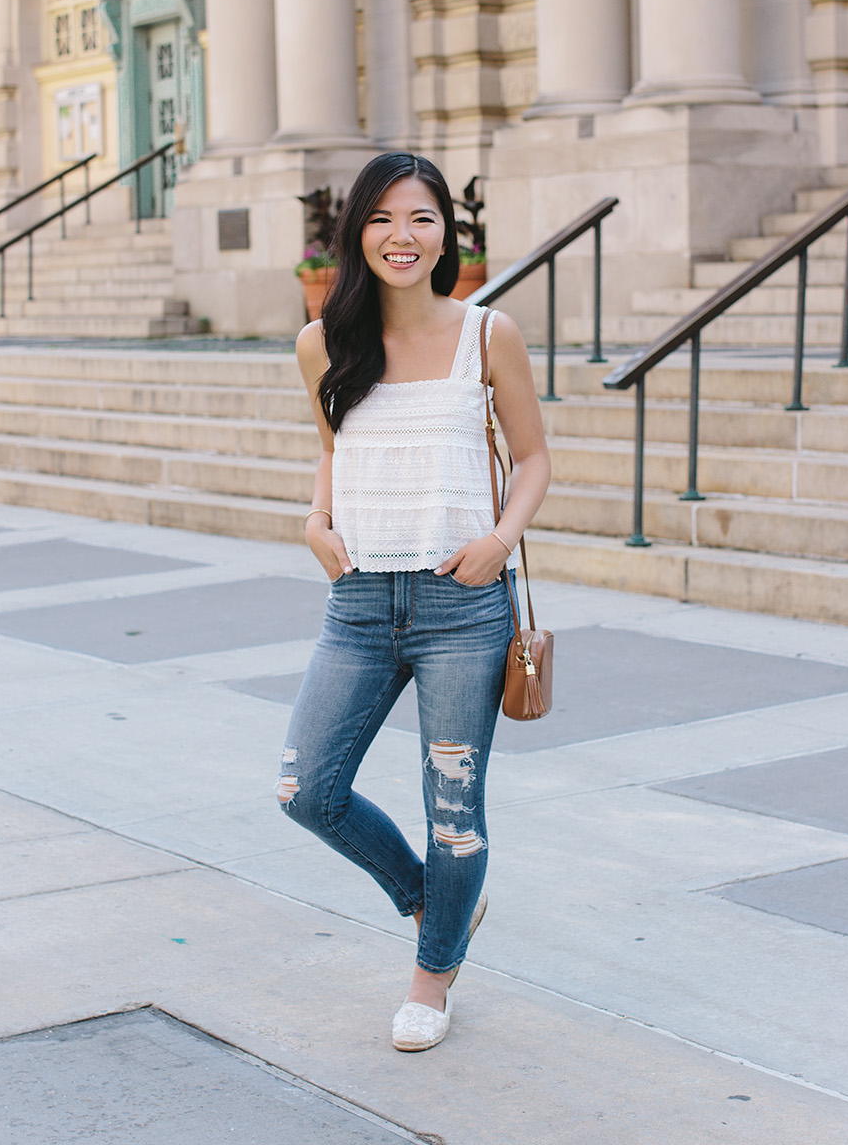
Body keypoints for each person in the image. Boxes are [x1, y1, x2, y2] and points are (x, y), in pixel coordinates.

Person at [277, 151, 550, 1051]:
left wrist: (499, 543)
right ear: (358, 232)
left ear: (448, 235)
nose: (404, 236)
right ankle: (437, 903)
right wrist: (315, 520)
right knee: (306, 790)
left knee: (455, 813)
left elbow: (535, 457)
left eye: (423, 218)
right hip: (358, 602)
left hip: (463, 605)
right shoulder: (324, 341)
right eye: (384, 218)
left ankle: (431, 982)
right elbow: (334, 448)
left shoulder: (487, 334)